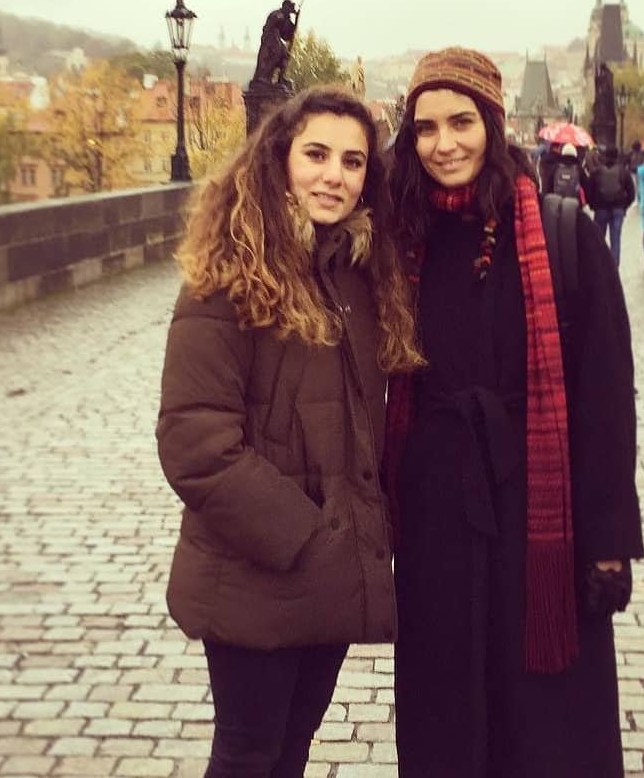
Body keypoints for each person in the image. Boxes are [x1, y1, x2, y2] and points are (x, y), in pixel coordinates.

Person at [386, 47, 644, 778]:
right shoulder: (402, 239)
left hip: (540, 523)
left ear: (493, 126)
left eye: (461, 122)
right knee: (445, 716)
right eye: (426, 127)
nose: (444, 144)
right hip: (437, 520)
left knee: (544, 724)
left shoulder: (564, 236)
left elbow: (605, 398)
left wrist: (608, 541)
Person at [156, 86, 423, 778]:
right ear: (280, 160)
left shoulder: (359, 275)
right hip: (259, 569)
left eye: (353, 162)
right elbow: (195, 443)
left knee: (291, 750)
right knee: (247, 756)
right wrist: (307, 537)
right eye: (317, 155)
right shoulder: (227, 276)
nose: (335, 175)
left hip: (327, 573)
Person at [584, 146, 636, 268]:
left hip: (601, 209)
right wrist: (624, 206)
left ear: (604, 155)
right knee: (615, 239)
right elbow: (631, 193)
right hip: (618, 209)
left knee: (599, 238)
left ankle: (599, 265)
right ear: (617, 156)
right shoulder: (623, 171)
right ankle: (614, 266)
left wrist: (593, 205)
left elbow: (589, 191)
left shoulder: (596, 172)